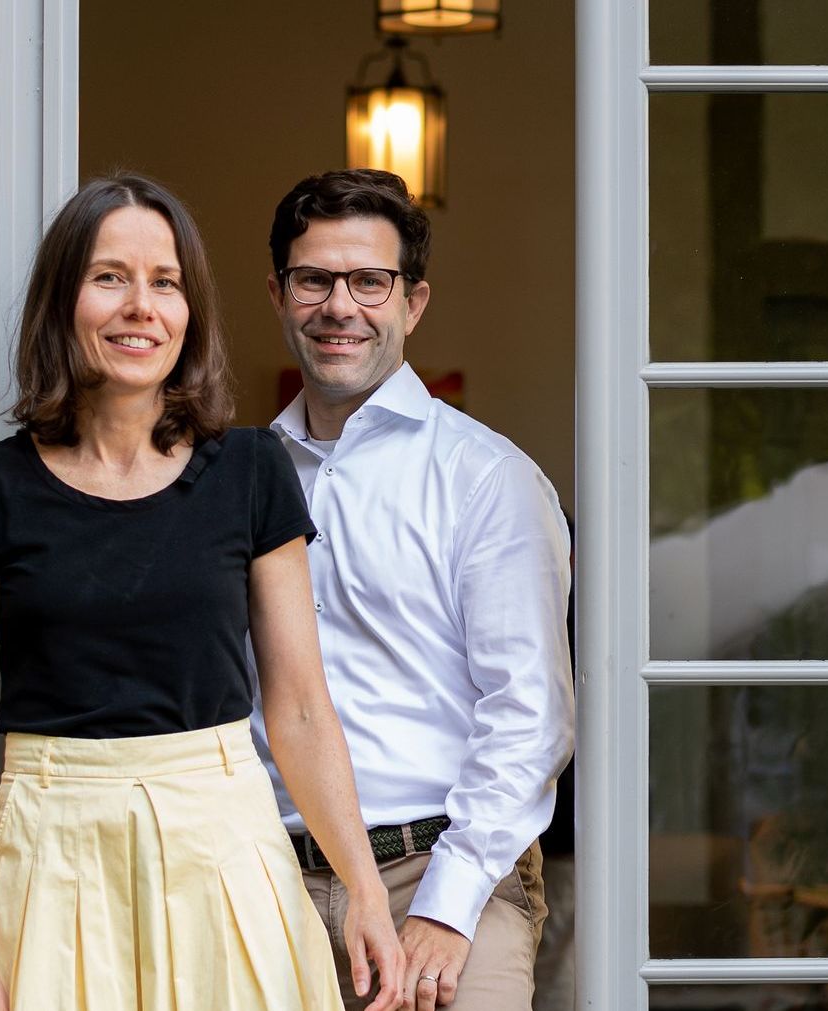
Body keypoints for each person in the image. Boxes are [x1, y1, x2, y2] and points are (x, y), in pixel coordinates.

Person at [0, 174, 404, 1011]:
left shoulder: (251, 472)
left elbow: (297, 707)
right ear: (61, 300)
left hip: (221, 848)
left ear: (191, 314)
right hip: (50, 849)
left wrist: (364, 888)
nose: (141, 306)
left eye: (166, 283)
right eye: (110, 277)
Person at [250, 168, 575, 1011]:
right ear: (281, 294)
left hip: (434, 874)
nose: (339, 306)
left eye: (369, 281)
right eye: (313, 279)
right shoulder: (238, 476)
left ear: (413, 302)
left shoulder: (485, 477)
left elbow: (530, 713)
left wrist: (449, 902)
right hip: (259, 877)